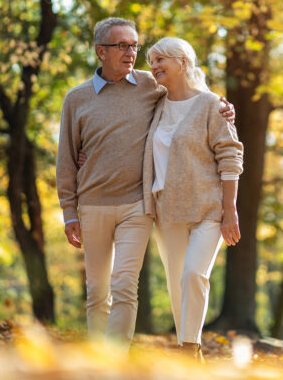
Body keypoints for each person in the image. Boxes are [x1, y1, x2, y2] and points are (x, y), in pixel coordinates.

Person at [56, 18, 233, 348]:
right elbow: (66, 159)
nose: (131, 52)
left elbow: (190, 89)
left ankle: (117, 358)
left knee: (125, 284)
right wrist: (69, 211)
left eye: (134, 45)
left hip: (138, 204)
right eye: (122, 45)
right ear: (101, 52)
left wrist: (222, 104)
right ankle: (98, 360)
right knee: (97, 290)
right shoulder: (76, 98)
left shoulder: (151, 85)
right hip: (92, 204)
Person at [142, 37, 243, 361]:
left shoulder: (213, 104)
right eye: (151, 61)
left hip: (208, 211)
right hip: (167, 210)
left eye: (161, 60)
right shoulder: (153, 104)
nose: (154, 66)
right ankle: (191, 353)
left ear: (183, 61)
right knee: (176, 285)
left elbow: (230, 157)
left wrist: (230, 211)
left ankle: (189, 348)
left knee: (193, 274)